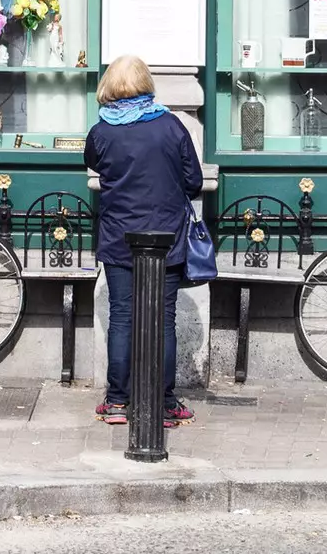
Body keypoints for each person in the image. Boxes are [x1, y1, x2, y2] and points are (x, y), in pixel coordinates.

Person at [84, 54, 203, 427]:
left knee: (122, 317)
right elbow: (194, 182)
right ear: (146, 84)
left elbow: (94, 166)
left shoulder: (102, 131)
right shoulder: (171, 126)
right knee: (164, 320)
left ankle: (118, 401)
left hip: (119, 237)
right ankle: (164, 403)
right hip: (166, 237)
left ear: (111, 85)